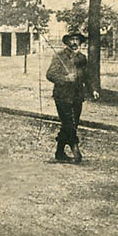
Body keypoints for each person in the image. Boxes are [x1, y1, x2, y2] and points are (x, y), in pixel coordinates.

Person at [46, 32, 99, 163]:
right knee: (69, 123)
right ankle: (76, 150)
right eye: (72, 40)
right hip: (62, 96)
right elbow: (50, 74)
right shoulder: (60, 56)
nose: (75, 42)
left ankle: (59, 152)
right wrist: (65, 78)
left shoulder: (82, 57)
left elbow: (86, 75)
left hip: (77, 96)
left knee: (71, 124)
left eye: (77, 40)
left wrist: (93, 90)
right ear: (67, 42)